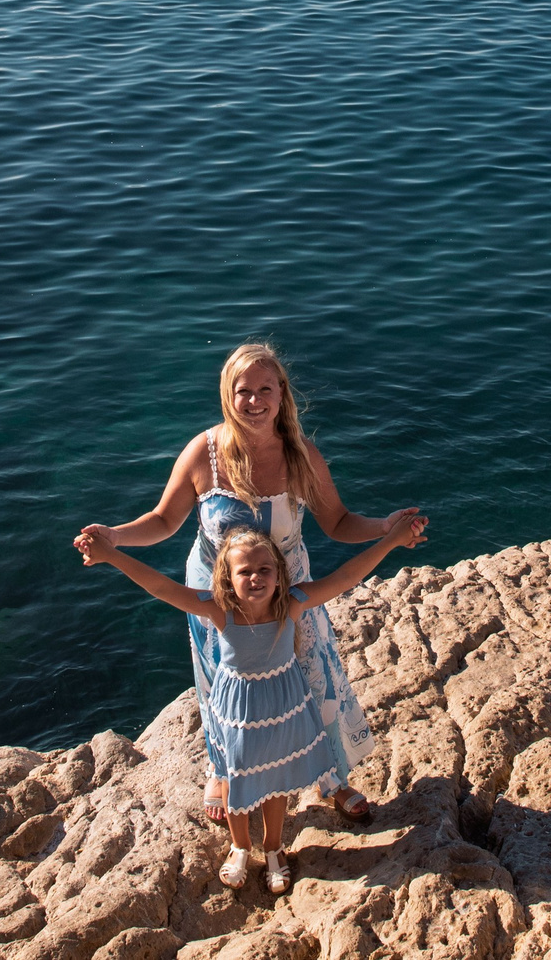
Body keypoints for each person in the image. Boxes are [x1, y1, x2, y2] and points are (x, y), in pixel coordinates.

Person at [78, 342, 426, 824]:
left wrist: (385, 528)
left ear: (282, 393)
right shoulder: (204, 453)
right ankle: (223, 770)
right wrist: (114, 537)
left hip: (287, 586)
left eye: (266, 389)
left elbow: (339, 522)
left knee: (310, 673)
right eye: (244, 391)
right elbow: (163, 520)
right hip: (218, 590)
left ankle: (332, 775)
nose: (255, 401)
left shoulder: (301, 455)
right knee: (223, 682)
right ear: (228, 394)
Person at [74, 517, 422, 891]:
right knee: (233, 776)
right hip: (237, 712)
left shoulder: (291, 603)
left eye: (264, 569)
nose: (255, 577)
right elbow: (160, 586)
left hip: (284, 707)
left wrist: (392, 540)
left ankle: (273, 847)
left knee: (277, 778)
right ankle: (240, 846)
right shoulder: (218, 609)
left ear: (279, 575)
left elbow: (346, 576)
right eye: (244, 571)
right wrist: (111, 554)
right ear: (227, 578)